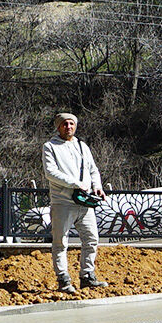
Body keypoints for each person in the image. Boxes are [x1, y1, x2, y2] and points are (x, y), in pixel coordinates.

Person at [41, 112, 106, 292]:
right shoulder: (50, 146)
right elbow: (50, 172)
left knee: (92, 239)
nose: (68, 127)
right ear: (58, 126)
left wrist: (97, 186)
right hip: (62, 201)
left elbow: (93, 170)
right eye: (64, 124)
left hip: (84, 202)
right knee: (61, 241)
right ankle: (63, 279)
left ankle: (87, 276)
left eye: (71, 123)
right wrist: (76, 184)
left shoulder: (82, 145)